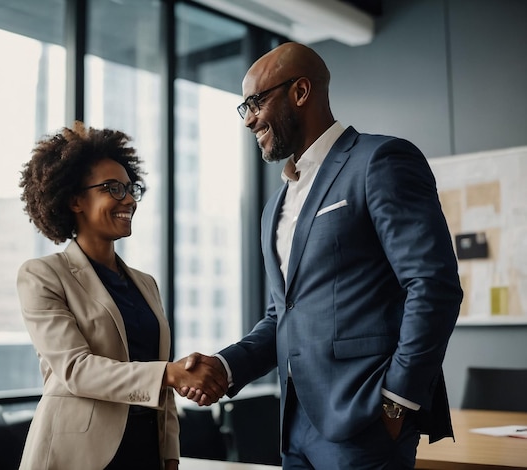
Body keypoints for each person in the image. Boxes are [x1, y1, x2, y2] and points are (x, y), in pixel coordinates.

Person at [180, 42, 463, 469]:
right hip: (294, 428)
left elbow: (433, 286)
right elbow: (283, 316)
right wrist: (225, 366)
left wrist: (395, 402)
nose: (249, 119)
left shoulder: (380, 160)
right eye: (244, 109)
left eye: (254, 102)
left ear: (300, 92)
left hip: (366, 422)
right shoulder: (275, 205)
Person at [16, 122, 228, 470]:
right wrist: (170, 374)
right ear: (74, 199)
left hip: (145, 453)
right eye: (112, 189)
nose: (128, 199)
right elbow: (76, 370)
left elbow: (163, 383)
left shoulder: (146, 284)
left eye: (131, 189)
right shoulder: (42, 275)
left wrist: (170, 452)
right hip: (77, 458)